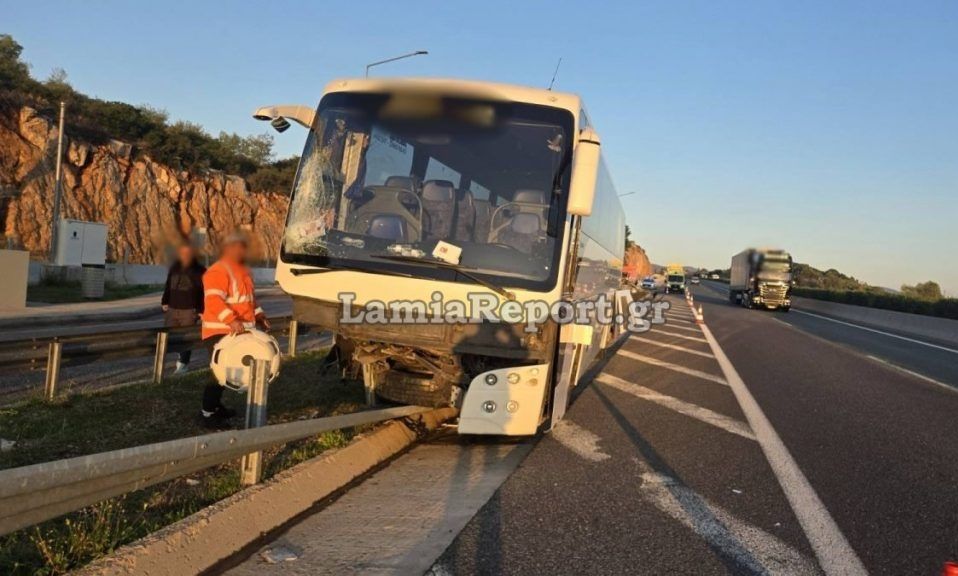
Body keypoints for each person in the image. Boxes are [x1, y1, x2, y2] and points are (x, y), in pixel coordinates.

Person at [199, 232, 270, 428]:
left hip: (237, 332)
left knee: (226, 373)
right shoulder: (218, 271)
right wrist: (231, 320)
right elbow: (213, 301)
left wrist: (259, 315)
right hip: (220, 331)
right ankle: (207, 413)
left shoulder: (242, 272)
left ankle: (215, 407)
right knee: (219, 373)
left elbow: (249, 301)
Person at [161, 243, 206, 374]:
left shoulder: (200, 270)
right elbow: (168, 285)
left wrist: (202, 310)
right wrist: (165, 301)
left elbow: (204, 292)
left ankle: (183, 364)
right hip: (173, 308)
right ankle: (173, 359)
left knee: (186, 338)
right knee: (171, 337)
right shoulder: (174, 268)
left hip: (189, 310)